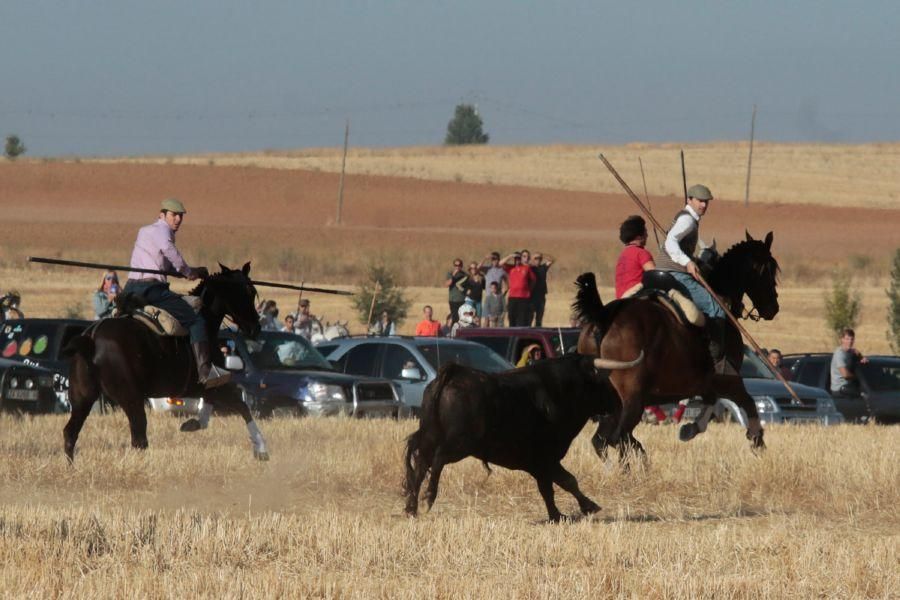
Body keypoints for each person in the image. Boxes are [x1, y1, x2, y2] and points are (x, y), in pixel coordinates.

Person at [125, 198, 228, 388]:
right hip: (152, 290)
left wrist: (192, 271)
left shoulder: (144, 231)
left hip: (130, 288)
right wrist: (189, 273)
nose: (178, 219)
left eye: (181, 216)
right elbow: (172, 255)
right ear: (162, 215)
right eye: (174, 215)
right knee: (196, 320)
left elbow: (164, 266)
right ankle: (205, 371)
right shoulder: (164, 231)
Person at [655, 184, 727, 362]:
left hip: (664, 271)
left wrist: (693, 261)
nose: (704, 205)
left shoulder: (687, 218)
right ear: (689, 199)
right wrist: (687, 262)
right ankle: (713, 359)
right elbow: (670, 243)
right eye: (700, 201)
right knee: (716, 309)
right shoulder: (687, 220)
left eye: (706, 202)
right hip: (676, 272)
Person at [615, 216, 656, 299]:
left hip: (620, 298)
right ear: (638, 236)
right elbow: (654, 275)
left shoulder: (622, 255)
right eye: (645, 232)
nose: (647, 235)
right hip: (637, 296)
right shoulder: (641, 253)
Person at [501, 251, 535, 326]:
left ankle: (520, 335)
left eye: (519, 259)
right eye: (516, 259)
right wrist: (510, 256)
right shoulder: (511, 268)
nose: (517, 261)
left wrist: (528, 290)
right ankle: (512, 335)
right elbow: (500, 264)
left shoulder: (526, 268)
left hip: (523, 297)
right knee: (511, 317)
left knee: (521, 318)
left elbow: (533, 280)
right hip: (512, 297)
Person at [831, 328, 868, 396]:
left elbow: (857, 352)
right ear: (842, 339)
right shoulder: (840, 354)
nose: (850, 341)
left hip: (849, 386)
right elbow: (845, 374)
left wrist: (862, 358)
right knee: (864, 394)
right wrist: (859, 377)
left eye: (852, 339)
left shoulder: (851, 351)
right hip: (839, 389)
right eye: (847, 339)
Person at [479, 251, 508, 324]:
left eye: (496, 259)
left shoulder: (501, 271)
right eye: (493, 259)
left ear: (498, 260)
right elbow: (478, 267)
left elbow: (507, 282)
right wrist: (485, 258)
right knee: (486, 320)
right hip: (489, 297)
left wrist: (504, 293)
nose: (494, 261)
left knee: (498, 320)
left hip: (498, 298)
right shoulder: (487, 269)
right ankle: (485, 335)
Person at [528, 251, 555, 326]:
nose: (538, 260)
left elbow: (552, 260)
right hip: (532, 296)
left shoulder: (543, 267)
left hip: (541, 296)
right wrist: (532, 258)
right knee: (530, 317)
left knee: (539, 318)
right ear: (533, 259)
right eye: (536, 258)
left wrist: (542, 255)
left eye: (539, 259)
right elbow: (525, 264)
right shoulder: (530, 268)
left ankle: (538, 332)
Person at [445, 258, 469, 324]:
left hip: (462, 299)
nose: (457, 267)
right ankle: (454, 333)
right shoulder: (450, 273)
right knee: (455, 318)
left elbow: (468, 287)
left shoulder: (465, 275)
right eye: (456, 265)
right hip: (453, 300)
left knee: (462, 318)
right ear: (454, 266)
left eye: (459, 265)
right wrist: (453, 276)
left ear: (461, 266)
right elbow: (447, 284)